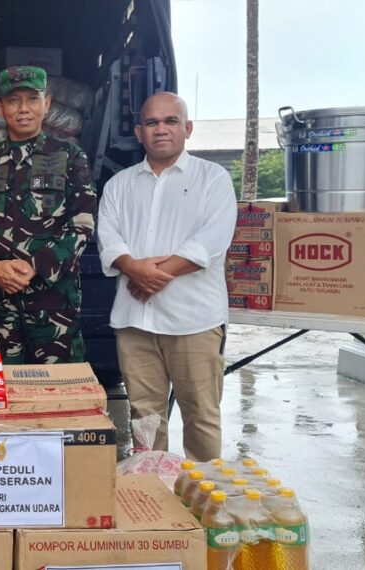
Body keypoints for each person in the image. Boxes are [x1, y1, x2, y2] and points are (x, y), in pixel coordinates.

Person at [97, 91, 236, 461]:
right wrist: (133, 267)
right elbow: (108, 240)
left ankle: (203, 500)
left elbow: (210, 241)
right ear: (139, 132)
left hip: (193, 320)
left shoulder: (213, 178)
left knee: (201, 415)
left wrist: (150, 274)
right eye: (152, 123)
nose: (161, 129)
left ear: (187, 129)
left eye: (170, 121)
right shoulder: (119, 185)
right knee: (145, 417)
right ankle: (153, 498)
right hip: (134, 321)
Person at [0, 65, 97, 364]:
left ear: (47, 104)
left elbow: (82, 222)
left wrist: (36, 266)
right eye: (13, 100)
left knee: (60, 394)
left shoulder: (70, 157)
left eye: (32, 99)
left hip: (53, 302)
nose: (23, 109)